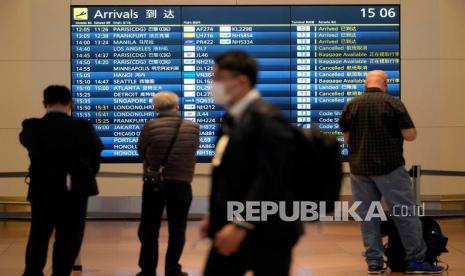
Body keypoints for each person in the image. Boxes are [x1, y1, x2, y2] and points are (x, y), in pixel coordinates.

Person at [200, 51, 302, 276]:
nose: (212, 84)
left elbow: (271, 178)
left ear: (241, 81)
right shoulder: (232, 119)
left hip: (269, 230)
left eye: (218, 78)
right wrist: (215, 213)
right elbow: (227, 173)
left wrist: (241, 224)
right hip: (233, 223)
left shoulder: (267, 119)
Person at [339, 70, 444, 274]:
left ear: (365, 84)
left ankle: (374, 262)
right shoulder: (393, 104)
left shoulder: (351, 105)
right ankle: (416, 260)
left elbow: (347, 138)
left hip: (359, 169)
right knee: (405, 214)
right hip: (390, 169)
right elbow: (410, 135)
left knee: (368, 216)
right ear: (385, 84)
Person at [19, 85, 103, 276]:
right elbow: (95, 153)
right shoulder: (82, 127)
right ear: (71, 103)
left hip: (42, 190)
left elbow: (26, 141)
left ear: (44, 104)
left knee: (38, 236)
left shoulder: (32, 126)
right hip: (74, 191)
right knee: (68, 238)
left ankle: (32, 272)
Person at [136, 91, 199, 276]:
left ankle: (147, 270)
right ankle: (173, 268)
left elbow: (141, 151)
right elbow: (192, 150)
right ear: (177, 106)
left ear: (155, 108)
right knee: (177, 229)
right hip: (181, 183)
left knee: (149, 229)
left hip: (155, 183)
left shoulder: (150, 126)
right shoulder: (193, 127)